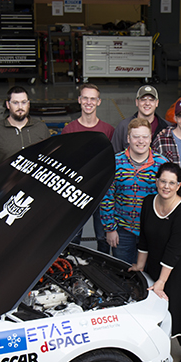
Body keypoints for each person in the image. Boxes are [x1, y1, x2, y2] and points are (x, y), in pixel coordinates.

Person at [130, 163, 181, 362]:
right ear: (157, 181)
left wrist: (161, 282)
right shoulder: (148, 202)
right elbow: (144, 238)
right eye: (163, 181)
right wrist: (140, 265)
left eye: (171, 183)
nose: (166, 186)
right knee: (169, 311)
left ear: (178, 185)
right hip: (157, 266)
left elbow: (174, 250)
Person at [101, 118, 168, 264]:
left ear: (150, 138)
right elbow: (107, 197)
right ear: (128, 138)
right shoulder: (115, 162)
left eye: (145, 136)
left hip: (152, 231)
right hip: (122, 230)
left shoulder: (162, 164)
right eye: (136, 136)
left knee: (150, 273)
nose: (140, 141)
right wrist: (110, 228)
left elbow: (169, 199)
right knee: (123, 273)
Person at [62, 83, 116, 253]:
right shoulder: (69, 130)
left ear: (99, 102)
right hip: (77, 193)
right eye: (85, 98)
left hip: (101, 193)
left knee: (102, 237)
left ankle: (101, 273)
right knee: (73, 238)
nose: (89, 102)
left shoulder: (108, 130)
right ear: (79, 100)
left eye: (93, 99)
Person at [0, 86, 51, 163]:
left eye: (23, 102)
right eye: (15, 103)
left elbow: (50, 159)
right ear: (8, 105)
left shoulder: (41, 128)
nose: (20, 107)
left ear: (28, 104)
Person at [110, 85, 171, 153]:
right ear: (137, 102)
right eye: (143, 99)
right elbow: (113, 154)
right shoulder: (123, 127)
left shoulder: (167, 127)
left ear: (157, 103)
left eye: (151, 100)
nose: (147, 103)